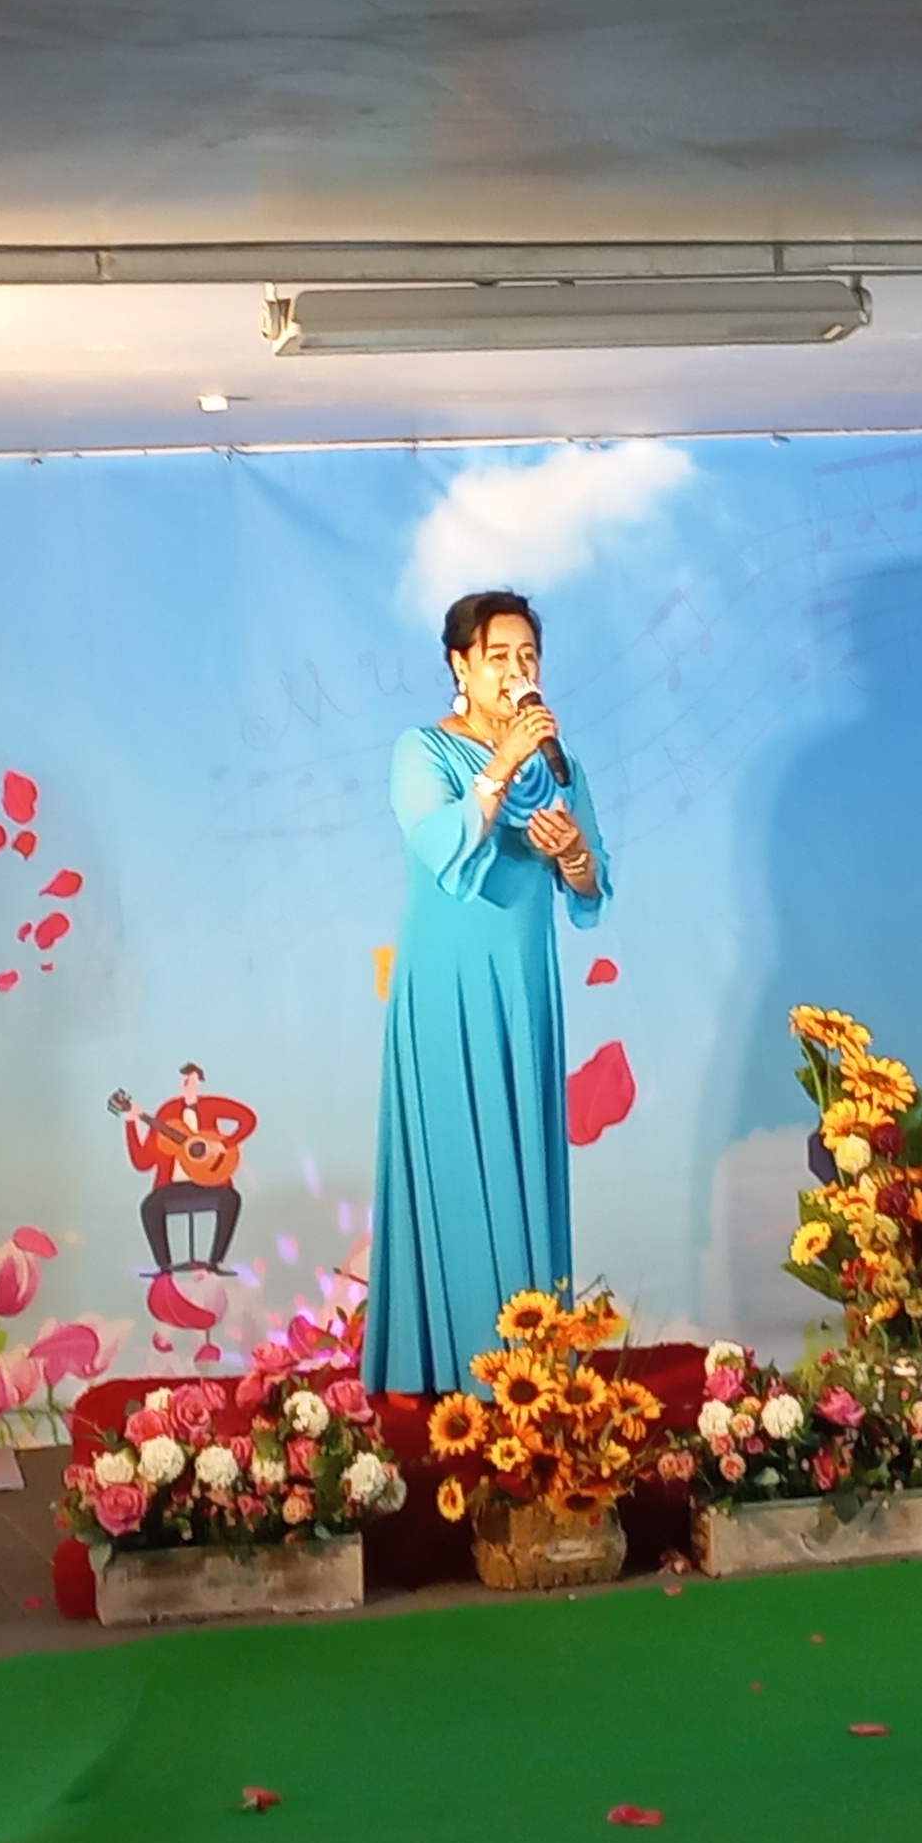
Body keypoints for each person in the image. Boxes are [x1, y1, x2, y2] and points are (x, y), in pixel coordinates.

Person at [364, 589, 612, 1398]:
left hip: (523, 989)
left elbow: (592, 885)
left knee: (522, 1164)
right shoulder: (422, 751)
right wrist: (503, 761)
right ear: (460, 666)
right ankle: (452, 1369)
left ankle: (531, 1365)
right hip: (445, 987)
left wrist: (571, 852)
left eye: (528, 657)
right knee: (454, 1170)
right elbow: (438, 843)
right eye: (499, 657)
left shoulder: (558, 766)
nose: (516, 672)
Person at [113, 1063, 258, 1278]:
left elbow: (248, 1119)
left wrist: (224, 1144)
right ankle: (165, 1268)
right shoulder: (168, 1112)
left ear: (199, 1082)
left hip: (211, 1183)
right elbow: (142, 1162)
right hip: (172, 1187)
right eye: (184, 1079)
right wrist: (131, 1121)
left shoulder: (210, 1105)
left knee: (230, 1199)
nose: (188, 1083)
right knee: (150, 1207)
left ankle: (215, 1262)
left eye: (192, 1079)